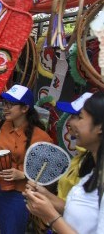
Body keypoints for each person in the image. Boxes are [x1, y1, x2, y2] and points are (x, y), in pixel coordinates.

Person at [0, 84, 53, 234]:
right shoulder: (1, 125)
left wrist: (22, 174)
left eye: (11, 104)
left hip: (16, 192)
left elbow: (48, 170)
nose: (6, 107)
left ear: (25, 108)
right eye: (5, 103)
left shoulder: (41, 137)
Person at [24, 91, 104, 234]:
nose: (71, 123)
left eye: (79, 117)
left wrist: (51, 216)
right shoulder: (93, 170)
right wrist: (46, 197)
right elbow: (82, 212)